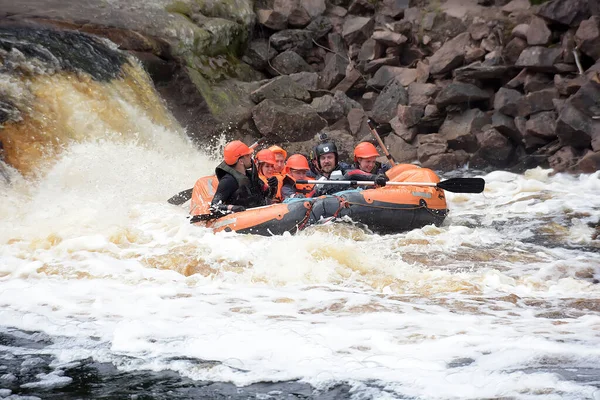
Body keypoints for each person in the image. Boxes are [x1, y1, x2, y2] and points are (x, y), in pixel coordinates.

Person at [211, 140, 278, 213]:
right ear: (241, 161)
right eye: (247, 155)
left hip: (258, 215)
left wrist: (273, 186)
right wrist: (232, 208)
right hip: (242, 219)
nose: (250, 156)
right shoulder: (228, 181)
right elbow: (214, 206)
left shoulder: (251, 176)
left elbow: (269, 196)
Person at [312, 141, 388, 195]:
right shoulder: (316, 181)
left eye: (330, 157)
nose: (326, 161)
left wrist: (376, 178)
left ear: (335, 159)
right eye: (323, 158)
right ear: (318, 161)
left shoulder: (344, 171)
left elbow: (354, 173)